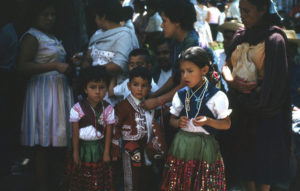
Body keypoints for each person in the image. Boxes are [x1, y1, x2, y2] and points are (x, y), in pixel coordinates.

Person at [221, 0, 290, 190]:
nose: (242, 14)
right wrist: (231, 81)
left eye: (247, 11)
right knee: (244, 168)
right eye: (241, 10)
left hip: (263, 116)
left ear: (262, 10)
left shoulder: (275, 40)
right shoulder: (240, 35)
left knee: (262, 169)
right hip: (241, 111)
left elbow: (275, 82)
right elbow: (226, 64)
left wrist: (252, 94)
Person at [17, 0, 74, 190]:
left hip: (57, 92)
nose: (50, 18)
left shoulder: (51, 36)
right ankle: (42, 186)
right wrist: (55, 66)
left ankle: (61, 181)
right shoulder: (32, 36)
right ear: (35, 16)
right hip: (42, 93)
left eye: (53, 14)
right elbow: (23, 66)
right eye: (45, 14)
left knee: (58, 139)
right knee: (43, 142)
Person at [161, 46, 231, 190]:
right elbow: (171, 120)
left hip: (205, 147)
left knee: (202, 184)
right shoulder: (181, 95)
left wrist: (209, 121)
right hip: (182, 144)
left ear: (204, 70)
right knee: (182, 182)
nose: (185, 76)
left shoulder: (216, 96)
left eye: (190, 71)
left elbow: (226, 124)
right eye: (183, 71)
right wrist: (178, 122)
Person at [111, 66, 166, 191]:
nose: (140, 89)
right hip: (130, 148)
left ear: (150, 88)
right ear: (129, 86)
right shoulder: (122, 106)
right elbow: (116, 128)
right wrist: (114, 150)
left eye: (144, 85)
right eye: (136, 85)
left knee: (145, 176)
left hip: (147, 148)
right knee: (132, 175)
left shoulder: (150, 104)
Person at [62, 65, 115, 191]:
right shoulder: (77, 108)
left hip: (99, 148)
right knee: (81, 180)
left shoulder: (108, 109)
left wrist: (106, 153)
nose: (97, 91)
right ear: (85, 89)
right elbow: (75, 133)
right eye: (93, 87)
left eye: (101, 87)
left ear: (106, 89)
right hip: (82, 148)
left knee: (98, 180)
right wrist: (75, 153)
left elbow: (108, 131)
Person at [141, 0, 198, 111]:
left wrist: (157, 101)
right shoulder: (175, 42)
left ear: (177, 22)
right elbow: (175, 77)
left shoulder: (192, 45)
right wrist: (154, 94)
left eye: (164, 21)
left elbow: (185, 84)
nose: (162, 26)